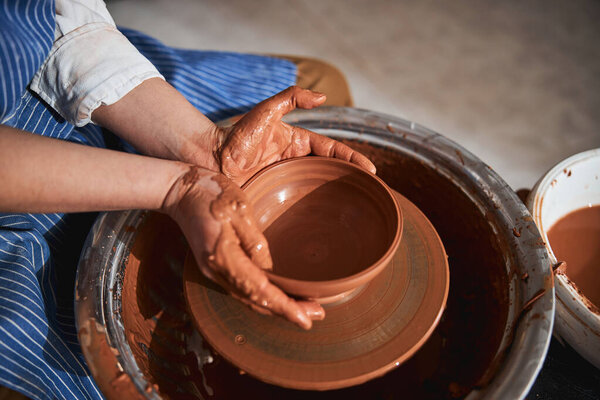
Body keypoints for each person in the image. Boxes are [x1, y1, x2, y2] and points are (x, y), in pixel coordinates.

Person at [0, 0, 375, 398]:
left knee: (325, 82)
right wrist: (177, 188)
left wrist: (204, 147)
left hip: (61, 78)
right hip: (17, 208)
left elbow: (58, 16)